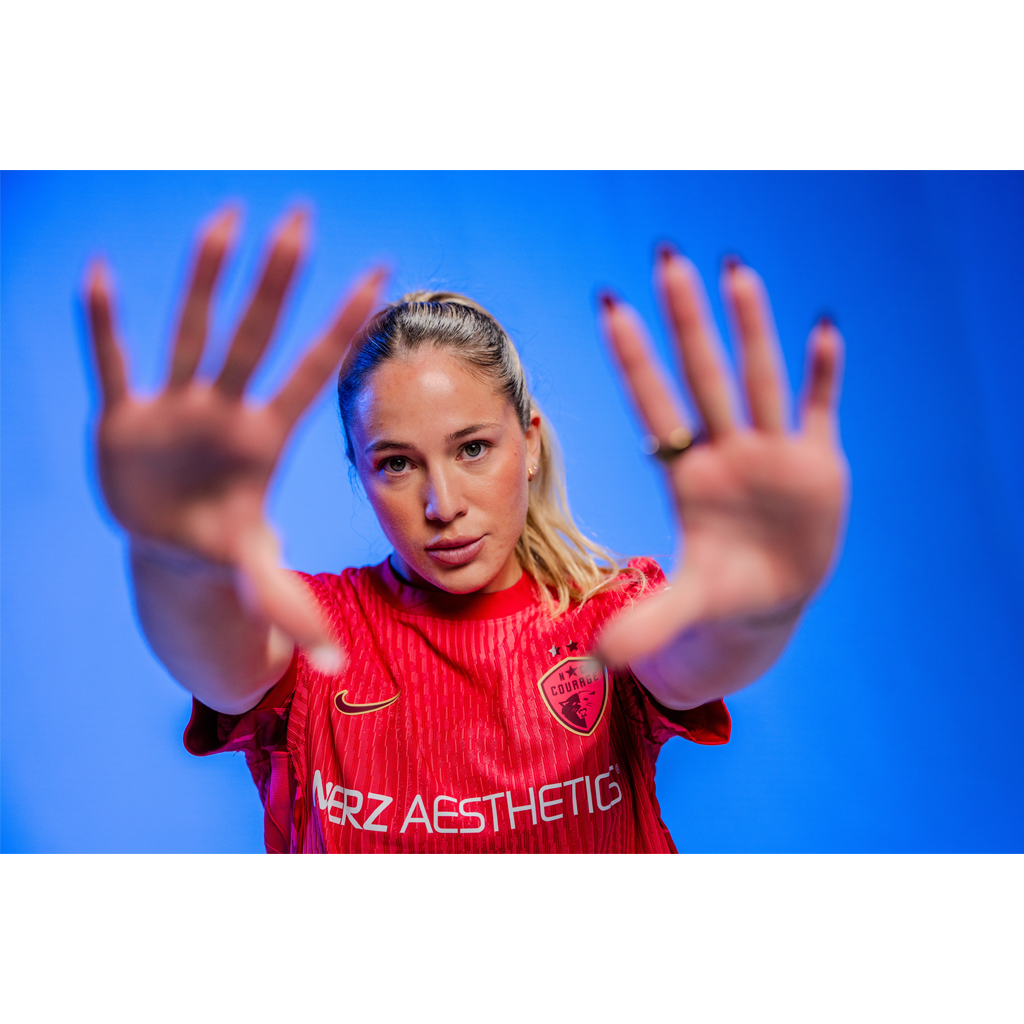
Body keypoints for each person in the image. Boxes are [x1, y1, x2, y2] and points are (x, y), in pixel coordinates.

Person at [85, 206, 848, 853]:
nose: (442, 502)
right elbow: (216, 654)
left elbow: (697, 658)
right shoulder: (315, 631)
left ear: (530, 443)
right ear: (358, 472)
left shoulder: (609, 617)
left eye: (473, 448)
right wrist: (175, 559)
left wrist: (760, 610)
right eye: (396, 463)